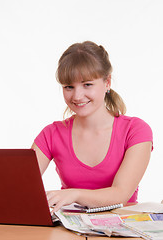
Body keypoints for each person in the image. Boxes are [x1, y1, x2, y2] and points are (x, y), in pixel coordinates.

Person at [32, 41, 153, 213]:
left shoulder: (136, 130)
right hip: (69, 230)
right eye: (69, 87)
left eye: (87, 84)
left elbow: (121, 194)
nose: (77, 95)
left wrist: (74, 195)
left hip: (120, 232)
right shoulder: (51, 134)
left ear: (107, 83)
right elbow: (21, 186)